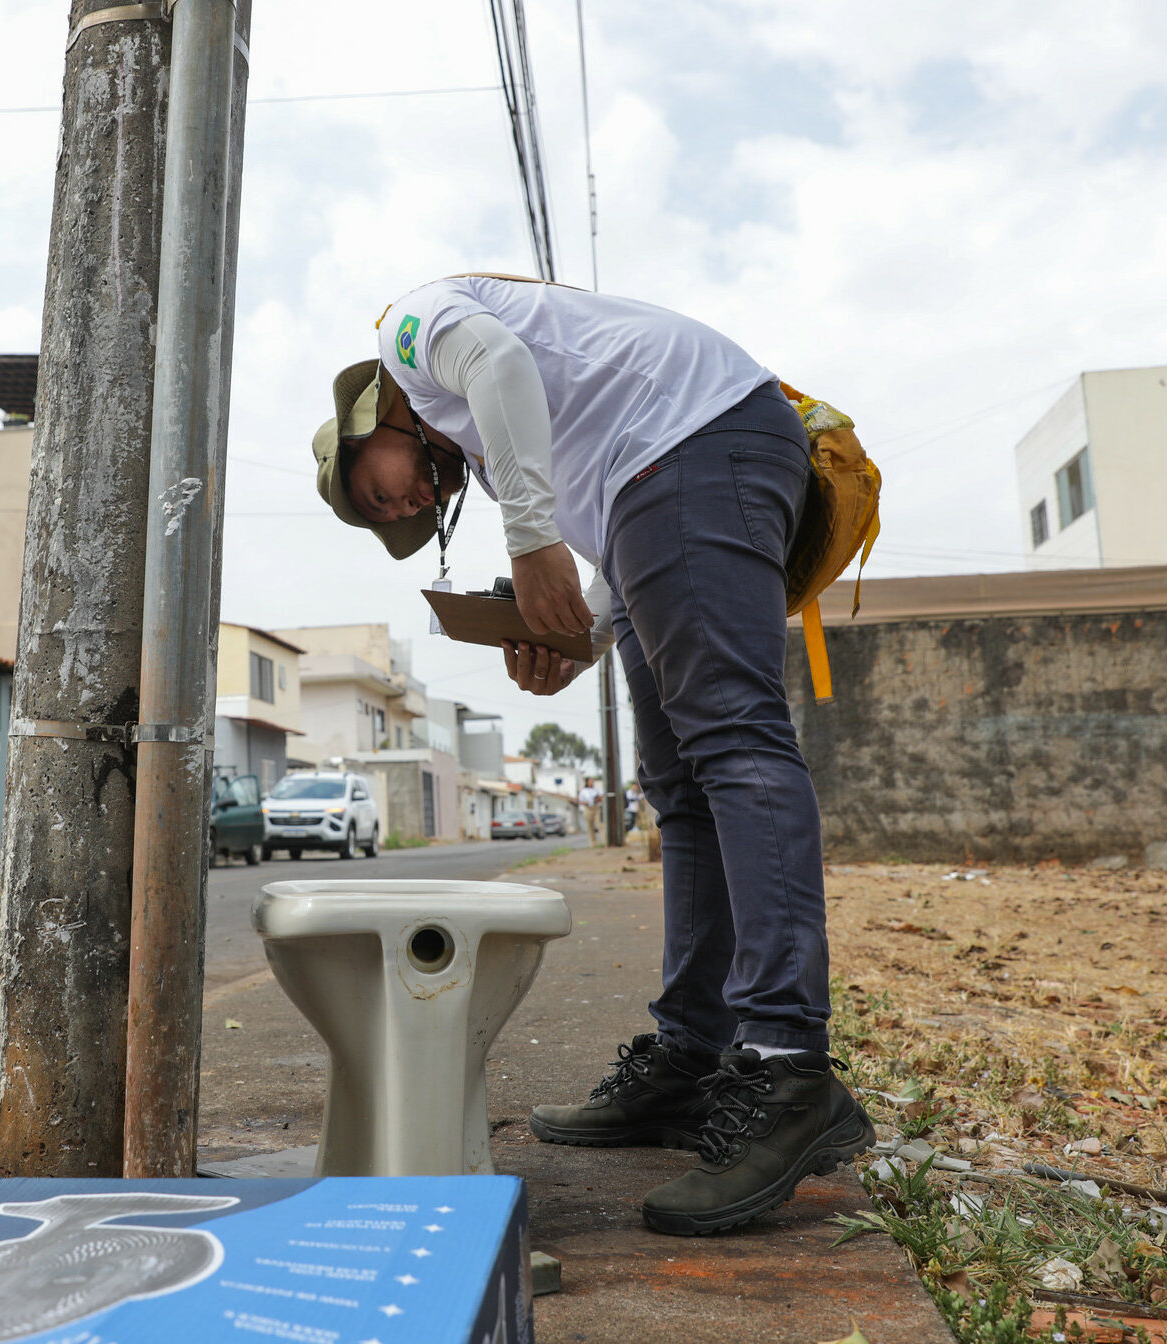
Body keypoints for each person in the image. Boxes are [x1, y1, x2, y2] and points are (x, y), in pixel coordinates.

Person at [311, 274, 871, 1235]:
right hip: (656, 483)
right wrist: (580, 639)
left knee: (734, 740)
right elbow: (621, 547)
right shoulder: (496, 454)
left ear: (374, 418)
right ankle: (693, 1057)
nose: (399, 500)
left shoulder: (416, 330)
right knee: (681, 787)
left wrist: (531, 544)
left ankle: (787, 1069)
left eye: (377, 486)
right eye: (388, 511)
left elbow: (502, 361)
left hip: (696, 443)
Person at [578, 779, 602, 843]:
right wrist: (586, 803)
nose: (591, 782)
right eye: (590, 781)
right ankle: (593, 842)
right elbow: (580, 801)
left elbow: (600, 799)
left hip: (596, 808)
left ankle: (604, 841)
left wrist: (598, 799)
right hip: (588, 808)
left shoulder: (596, 790)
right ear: (587, 782)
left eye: (592, 781)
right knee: (590, 826)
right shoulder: (583, 791)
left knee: (600, 824)